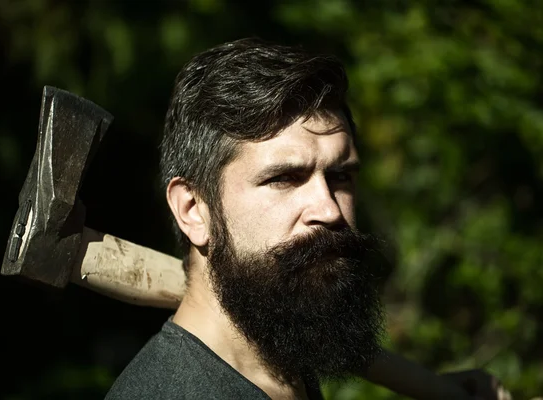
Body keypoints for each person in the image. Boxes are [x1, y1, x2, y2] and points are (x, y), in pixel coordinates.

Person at [105, 38, 510, 400]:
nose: (330, 209)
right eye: (284, 178)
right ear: (193, 210)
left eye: (340, 176)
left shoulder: (283, 366)